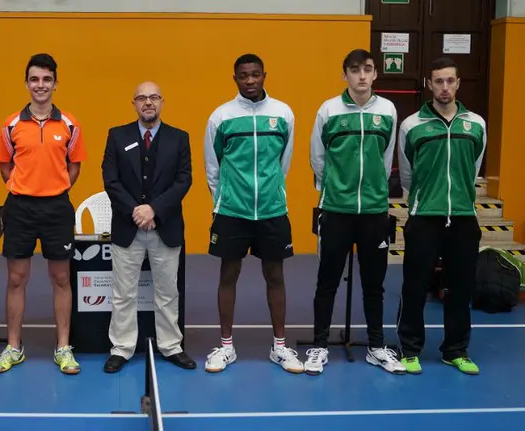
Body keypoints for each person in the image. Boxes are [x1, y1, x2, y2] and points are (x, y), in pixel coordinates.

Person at [306, 49, 406, 375]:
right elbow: (317, 158)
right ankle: (319, 345)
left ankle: (376, 346)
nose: (362, 76)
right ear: (344, 75)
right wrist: (333, 190)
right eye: (354, 70)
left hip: (375, 211)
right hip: (336, 209)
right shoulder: (328, 110)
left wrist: (376, 190)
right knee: (327, 281)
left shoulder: (387, 110)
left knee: (374, 284)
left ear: (375, 74)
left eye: (367, 69)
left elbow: (387, 154)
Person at [203, 53, 302, 374]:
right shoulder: (221, 116)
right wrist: (225, 200)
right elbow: (212, 166)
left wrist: (271, 191)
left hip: (273, 211)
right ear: (235, 79)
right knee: (228, 275)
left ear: (264, 76)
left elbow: (283, 163)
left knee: (275, 276)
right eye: (243, 76)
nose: (249, 81)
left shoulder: (283, 113)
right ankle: (226, 347)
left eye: (255, 75)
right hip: (232, 212)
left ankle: (280, 347)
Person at [0, 53, 87, 375]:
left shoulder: (70, 125)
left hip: (57, 208)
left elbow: (74, 167)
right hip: (20, 208)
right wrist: (25, 187)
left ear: (55, 83)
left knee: (61, 278)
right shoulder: (10, 125)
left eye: (47, 79)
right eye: (35, 79)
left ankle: (63, 347)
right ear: (27, 83)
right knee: (16, 278)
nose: (40, 85)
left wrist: (53, 188)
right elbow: (5, 167)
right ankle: (13, 347)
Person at [396, 57, 486, 375]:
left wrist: (458, 197)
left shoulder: (475, 124)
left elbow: (473, 167)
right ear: (429, 84)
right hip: (424, 217)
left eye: (450, 81)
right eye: (438, 81)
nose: (444, 87)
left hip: (463, 217)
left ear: (458, 84)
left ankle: (455, 350)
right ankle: (409, 349)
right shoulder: (411, 125)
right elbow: (407, 175)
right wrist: (426, 198)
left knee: (461, 288)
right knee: (414, 286)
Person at [101, 81, 196, 373]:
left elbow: (184, 180)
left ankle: (171, 346)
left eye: (153, 97)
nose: (148, 102)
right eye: (142, 98)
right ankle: (122, 348)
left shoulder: (179, 138)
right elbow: (110, 179)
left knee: (168, 292)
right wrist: (137, 212)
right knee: (123, 293)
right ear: (134, 103)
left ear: (162, 102)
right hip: (127, 228)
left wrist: (154, 209)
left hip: (164, 227)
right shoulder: (117, 136)